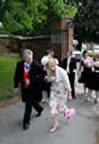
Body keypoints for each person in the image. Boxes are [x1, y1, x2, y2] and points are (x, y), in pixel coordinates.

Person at [14, 49, 43, 130]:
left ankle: (26, 122)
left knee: (28, 105)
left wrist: (32, 80)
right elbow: (16, 76)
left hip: (33, 89)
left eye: (31, 58)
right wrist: (16, 86)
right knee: (31, 102)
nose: (30, 60)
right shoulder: (19, 65)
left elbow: (42, 76)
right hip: (24, 88)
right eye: (28, 59)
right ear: (24, 58)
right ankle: (39, 109)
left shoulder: (37, 65)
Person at [44, 58, 75, 133]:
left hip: (62, 92)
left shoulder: (62, 71)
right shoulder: (48, 70)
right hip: (54, 91)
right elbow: (49, 79)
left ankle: (68, 112)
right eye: (49, 69)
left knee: (60, 109)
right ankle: (56, 124)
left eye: (52, 68)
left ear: (54, 65)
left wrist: (70, 94)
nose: (51, 70)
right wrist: (48, 78)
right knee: (53, 106)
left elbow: (67, 83)